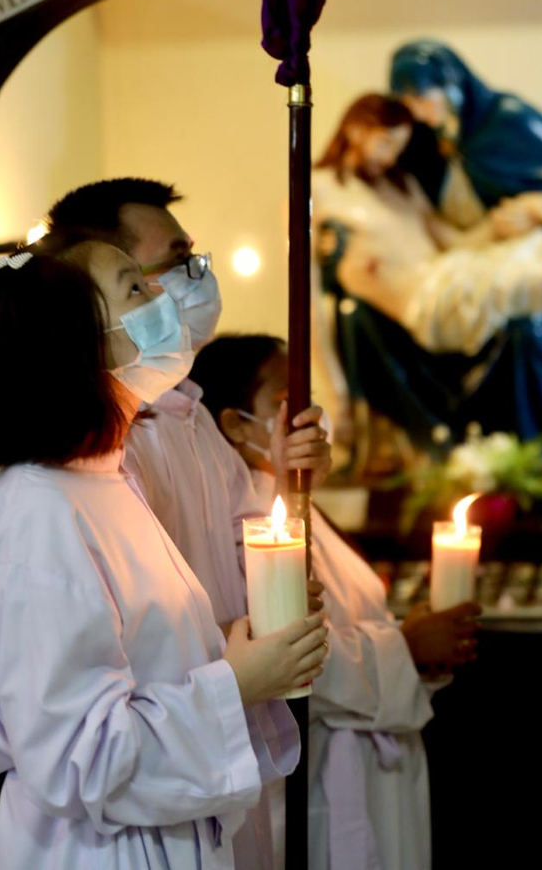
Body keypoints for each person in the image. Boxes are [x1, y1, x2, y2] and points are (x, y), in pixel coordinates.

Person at [0, 242, 328, 870]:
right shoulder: (39, 513)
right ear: (79, 345)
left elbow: (135, 659)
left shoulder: (104, 481)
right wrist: (236, 683)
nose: (165, 298)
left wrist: (232, 644)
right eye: (135, 289)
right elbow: (78, 759)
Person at [190, 332, 482, 870]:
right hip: (326, 772)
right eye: (285, 400)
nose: (308, 417)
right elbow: (284, 652)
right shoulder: (253, 523)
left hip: (376, 757)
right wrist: (407, 647)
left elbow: (348, 618)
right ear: (234, 424)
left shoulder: (295, 506)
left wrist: (419, 651)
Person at [311, 94, 542, 476]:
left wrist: (509, 219)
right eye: (385, 144)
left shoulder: (400, 186)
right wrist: (337, 392)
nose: (391, 158)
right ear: (356, 128)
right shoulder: (316, 190)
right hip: (432, 302)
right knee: (541, 279)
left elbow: (455, 244)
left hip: (455, 268)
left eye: (398, 148)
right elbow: (306, 300)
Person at [389, 39, 542, 226]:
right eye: (407, 104)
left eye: (421, 98)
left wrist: (536, 209)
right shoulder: (437, 136)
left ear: (452, 88)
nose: (417, 112)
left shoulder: (508, 117)